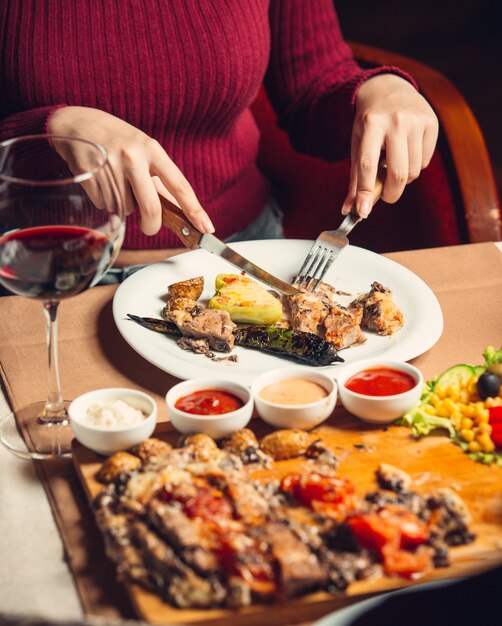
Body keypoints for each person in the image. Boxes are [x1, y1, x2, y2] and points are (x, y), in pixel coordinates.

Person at [0, 1, 438, 262]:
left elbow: (311, 83)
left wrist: (381, 90)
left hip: (240, 249)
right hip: (45, 268)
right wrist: (51, 133)